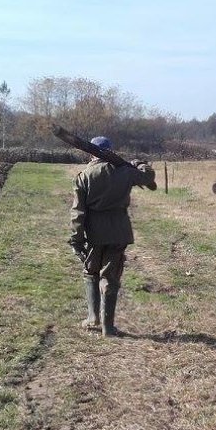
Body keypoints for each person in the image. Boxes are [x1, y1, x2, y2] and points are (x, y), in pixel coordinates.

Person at [69, 136, 156, 337]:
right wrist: (140, 164)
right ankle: (108, 328)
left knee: (91, 272)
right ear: (111, 151)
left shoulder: (85, 175)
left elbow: (78, 213)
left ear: (91, 153)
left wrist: (76, 239)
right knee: (111, 276)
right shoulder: (125, 171)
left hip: (94, 233)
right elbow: (148, 177)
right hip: (119, 231)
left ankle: (93, 319)